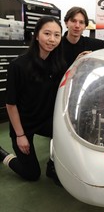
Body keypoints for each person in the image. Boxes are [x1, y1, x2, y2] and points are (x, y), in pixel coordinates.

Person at [0, 16, 66, 185]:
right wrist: (20, 135)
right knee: (32, 174)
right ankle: (2, 154)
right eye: (47, 33)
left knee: (67, 136)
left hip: (45, 120)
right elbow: (11, 104)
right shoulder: (18, 65)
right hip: (23, 124)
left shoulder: (58, 64)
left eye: (57, 35)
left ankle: (52, 166)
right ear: (37, 35)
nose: (52, 39)